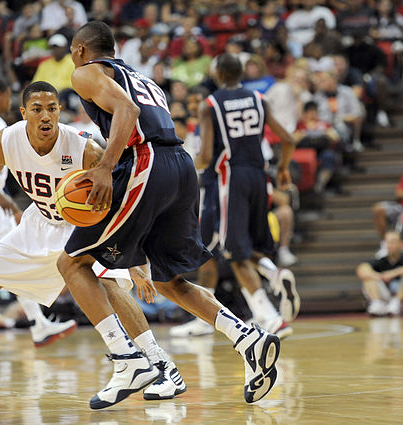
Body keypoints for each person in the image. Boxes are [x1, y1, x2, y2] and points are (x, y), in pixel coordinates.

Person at [0, 81, 186, 402]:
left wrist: (133, 257)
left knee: (108, 284)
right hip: (39, 222)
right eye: (36, 109)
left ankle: (159, 364)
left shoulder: (84, 148)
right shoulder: (3, 142)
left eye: (51, 108)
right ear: (23, 113)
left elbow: (120, 201)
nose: (45, 115)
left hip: (83, 227)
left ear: (59, 111)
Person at [57, 21, 281, 409]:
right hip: (180, 166)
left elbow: (126, 111)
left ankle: (128, 361)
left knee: (72, 263)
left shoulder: (85, 71)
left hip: (147, 162)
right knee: (169, 281)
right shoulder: (143, 78)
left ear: (80, 50)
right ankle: (248, 338)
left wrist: (106, 167)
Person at [170, 53, 299, 339]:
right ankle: (208, 316)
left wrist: (180, 167)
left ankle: (270, 313)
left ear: (217, 73)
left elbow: (204, 156)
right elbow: (288, 139)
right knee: (212, 249)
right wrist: (284, 170)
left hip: (229, 179)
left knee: (235, 251)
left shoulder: (211, 104)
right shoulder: (258, 98)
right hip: (259, 176)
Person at [0, 77, 74, 353]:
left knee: (11, 258)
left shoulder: (0, 124)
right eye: (8, 96)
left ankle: (38, 324)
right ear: (0, 95)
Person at [356, 231, 403, 316]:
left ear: (400, 244)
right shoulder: (382, 260)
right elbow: (361, 269)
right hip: (386, 295)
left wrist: (393, 273)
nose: (390, 245)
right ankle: (377, 304)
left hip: (402, 297)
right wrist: (379, 276)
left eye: (393, 242)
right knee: (368, 279)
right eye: (388, 242)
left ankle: (396, 303)